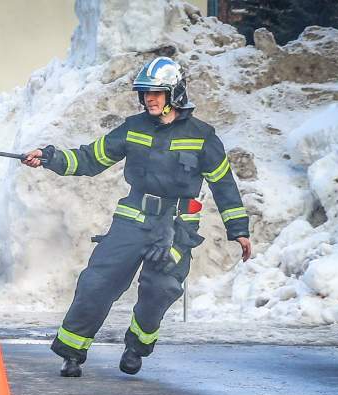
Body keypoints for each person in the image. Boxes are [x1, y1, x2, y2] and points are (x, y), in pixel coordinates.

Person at [23, 56, 252, 377]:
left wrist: (238, 229)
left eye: (157, 92)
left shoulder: (203, 136)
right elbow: (90, 158)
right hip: (132, 220)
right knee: (96, 282)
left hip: (175, 228)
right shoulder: (133, 128)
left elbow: (224, 185)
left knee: (161, 288)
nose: (150, 98)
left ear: (175, 94)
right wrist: (50, 157)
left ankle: (136, 346)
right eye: (145, 92)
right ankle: (72, 352)